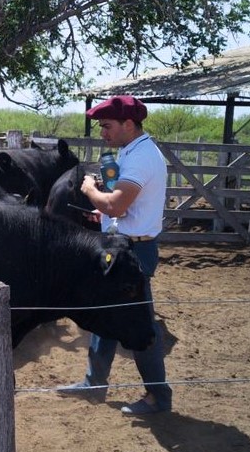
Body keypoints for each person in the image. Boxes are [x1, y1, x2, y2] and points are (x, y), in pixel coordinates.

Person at [56, 95, 171, 415]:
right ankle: (95, 382)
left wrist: (91, 189)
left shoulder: (140, 157)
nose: (103, 132)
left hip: (135, 251)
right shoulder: (136, 151)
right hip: (129, 243)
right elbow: (124, 209)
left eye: (107, 126)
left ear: (128, 124)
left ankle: (158, 397)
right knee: (108, 314)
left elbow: (118, 204)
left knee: (140, 324)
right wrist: (105, 216)